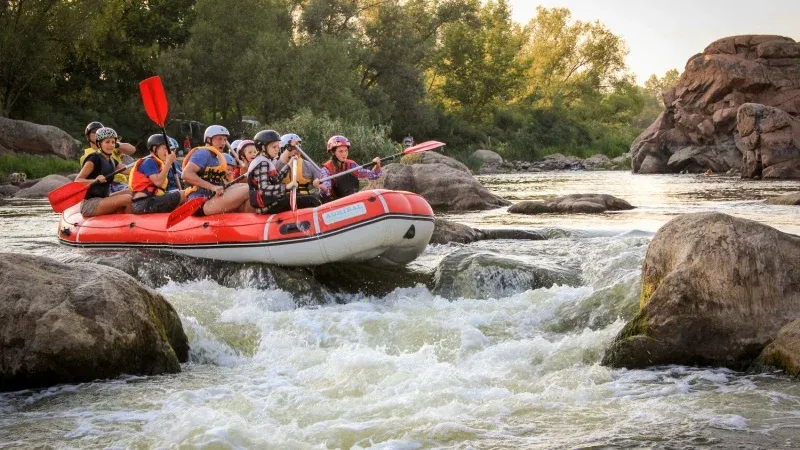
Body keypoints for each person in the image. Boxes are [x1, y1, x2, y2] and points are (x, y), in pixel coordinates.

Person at [181, 125, 252, 216]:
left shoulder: (216, 157)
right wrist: (212, 187)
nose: (223, 142)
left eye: (225, 139)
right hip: (199, 203)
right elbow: (186, 174)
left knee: (246, 186)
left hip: (212, 198)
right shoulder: (203, 153)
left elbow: (220, 183)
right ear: (208, 140)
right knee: (248, 189)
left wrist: (243, 173)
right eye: (219, 139)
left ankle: (249, 222)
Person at [75, 127, 132, 217]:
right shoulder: (94, 159)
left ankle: (121, 218)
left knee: (131, 192)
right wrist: (94, 180)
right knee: (128, 199)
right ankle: (129, 224)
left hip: (104, 198)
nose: (111, 145)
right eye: (107, 142)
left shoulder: (112, 160)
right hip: (90, 204)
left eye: (113, 142)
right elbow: (78, 181)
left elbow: (129, 170)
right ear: (99, 143)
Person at [129, 134, 185, 214]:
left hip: (150, 200)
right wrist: (168, 163)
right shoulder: (149, 161)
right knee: (183, 194)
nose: (169, 152)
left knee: (179, 192)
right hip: (143, 204)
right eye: (165, 148)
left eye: (169, 149)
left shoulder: (158, 163)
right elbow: (158, 182)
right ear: (155, 148)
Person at [319, 135, 383, 200]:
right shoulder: (326, 169)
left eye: (346, 150)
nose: (344, 154)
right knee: (343, 178)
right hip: (335, 201)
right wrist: (319, 186)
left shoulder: (351, 165)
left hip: (352, 198)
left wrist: (377, 165)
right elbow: (326, 190)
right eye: (340, 151)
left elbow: (373, 175)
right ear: (333, 152)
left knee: (349, 177)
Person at [247, 129, 297, 214]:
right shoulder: (262, 163)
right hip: (269, 205)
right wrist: (286, 187)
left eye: (278, 146)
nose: (277, 149)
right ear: (263, 148)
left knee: (305, 198)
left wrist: (289, 165)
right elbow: (264, 188)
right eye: (274, 147)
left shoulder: (266, 161)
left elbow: (276, 181)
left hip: (273, 201)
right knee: (311, 200)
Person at [80, 121, 135, 193]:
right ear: (88, 136)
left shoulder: (112, 151)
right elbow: (81, 179)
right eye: (94, 131)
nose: (98, 133)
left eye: (100, 130)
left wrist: (114, 144)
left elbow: (132, 150)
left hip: (122, 182)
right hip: (105, 185)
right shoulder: (90, 156)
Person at [278, 133, 325, 204]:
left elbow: (323, 183)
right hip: (284, 200)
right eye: (294, 147)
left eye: (299, 147)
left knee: (315, 199)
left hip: (304, 200)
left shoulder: (308, 165)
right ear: (284, 148)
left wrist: (319, 184)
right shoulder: (275, 164)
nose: (298, 150)